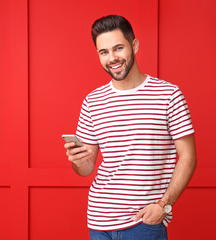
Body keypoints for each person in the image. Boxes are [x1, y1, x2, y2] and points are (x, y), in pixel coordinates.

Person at [64, 15, 197, 240]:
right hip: (99, 221)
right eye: (104, 52)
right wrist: (78, 161)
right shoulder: (92, 101)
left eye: (118, 48)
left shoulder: (168, 95)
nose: (112, 58)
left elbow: (188, 157)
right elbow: (86, 169)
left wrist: (164, 206)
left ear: (134, 46)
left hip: (144, 222)